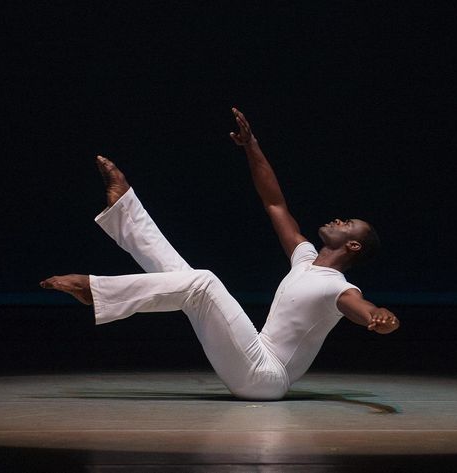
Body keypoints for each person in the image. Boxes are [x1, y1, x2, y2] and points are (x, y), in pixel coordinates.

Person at [40, 108, 399, 401]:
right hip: (253, 354)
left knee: (202, 282)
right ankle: (125, 212)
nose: (339, 219)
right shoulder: (305, 259)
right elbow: (274, 203)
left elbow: (366, 310)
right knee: (183, 277)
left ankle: (96, 291)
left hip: (267, 377)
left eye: (347, 223)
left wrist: (383, 319)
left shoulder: (339, 288)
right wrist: (252, 146)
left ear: (353, 245)